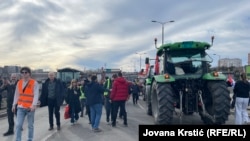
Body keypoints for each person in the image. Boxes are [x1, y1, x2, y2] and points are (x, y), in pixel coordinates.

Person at [12, 66, 40, 141]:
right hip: (20, 107)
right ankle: (18, 139)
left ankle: (30, 139)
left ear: (29, 73)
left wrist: (33, 105)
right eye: (22, 72)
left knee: (30, 125)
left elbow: (36, 94)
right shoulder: (19, 82)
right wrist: (14, 104)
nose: (24, 74)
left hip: (29, 108)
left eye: (25, 72)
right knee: (18, 125)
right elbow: (16, 94)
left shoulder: (34, 83)